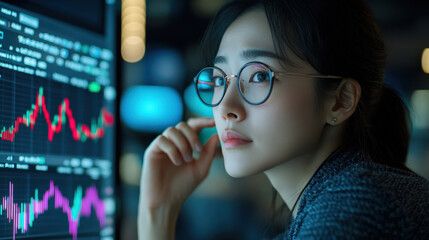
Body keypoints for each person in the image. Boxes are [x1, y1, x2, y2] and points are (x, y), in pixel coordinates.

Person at [138, 0, 429, 239]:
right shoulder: (337, 201)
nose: (225, 106)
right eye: (219, 78)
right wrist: (159, 210)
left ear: (340, 101)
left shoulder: (352, 210)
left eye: (259, 76)